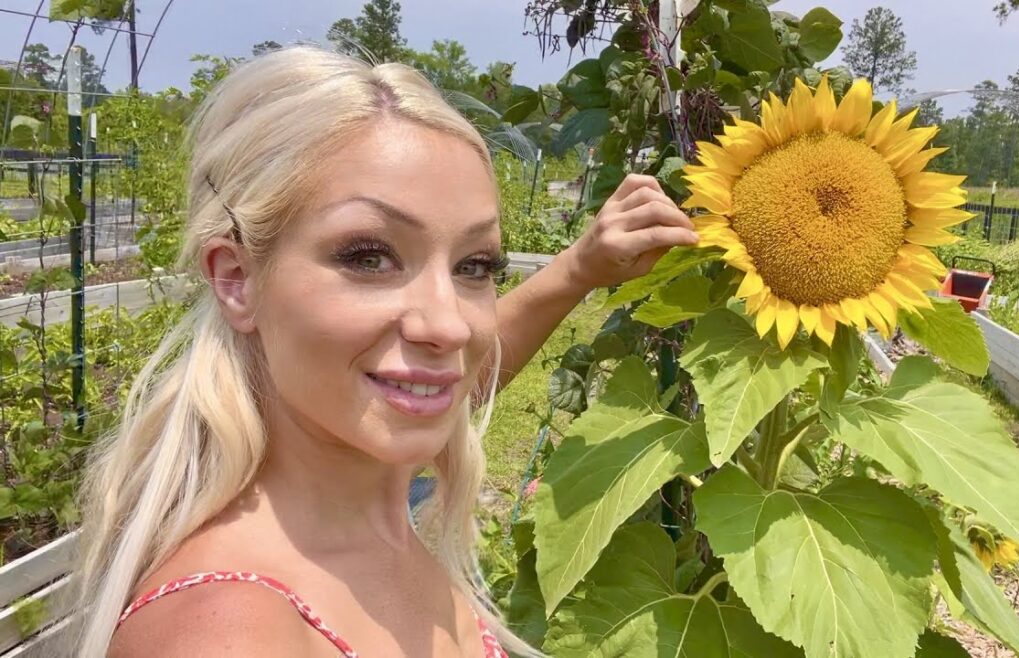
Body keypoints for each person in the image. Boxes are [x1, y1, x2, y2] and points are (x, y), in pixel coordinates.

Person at [67, 46, 696, 657]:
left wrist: (578, 269)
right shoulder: (224, 632)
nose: (448, 325)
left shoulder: (363, 502)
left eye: (475, 265)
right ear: (236, 277)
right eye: (368, 257)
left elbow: (437, 377)